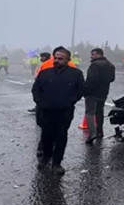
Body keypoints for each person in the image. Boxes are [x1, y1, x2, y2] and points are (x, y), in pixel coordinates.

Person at [31, 47, 85, 175]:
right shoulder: (45, 72)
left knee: (61, 137)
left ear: (67, 59)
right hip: (46, 110)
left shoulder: (76, 74)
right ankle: (46, 157)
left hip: (64, 112)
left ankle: (57, 163)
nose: (57, 61)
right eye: (55, 58)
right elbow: (36, 89)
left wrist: (70, 101)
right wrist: (40, 102)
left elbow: (81, 90)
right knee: (46, 136)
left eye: (60, 59)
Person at [83, 48, 116, 144]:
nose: (91, 56)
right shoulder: (110, 65)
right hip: (103, 92)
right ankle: (99, 131)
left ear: (99, 54)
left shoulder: (95, 65)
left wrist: (86, 91)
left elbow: (90, 80)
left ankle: (92, 133)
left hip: (93, 93)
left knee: (89, 112)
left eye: (93, 54)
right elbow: (112, 79)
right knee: (99, 112)